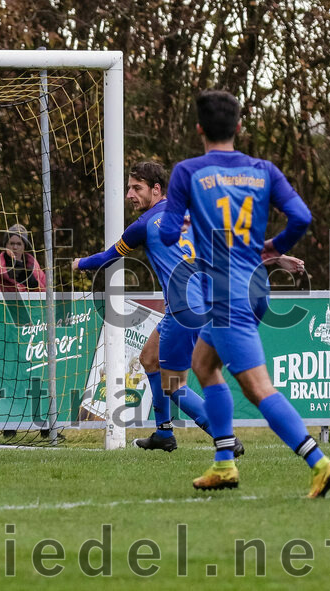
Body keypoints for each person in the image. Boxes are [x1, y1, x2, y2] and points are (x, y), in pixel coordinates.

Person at [159, 90, 330, 497]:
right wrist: (275, 245)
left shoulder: (188, 172)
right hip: (254, 284)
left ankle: (319, 461)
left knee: (258, 388)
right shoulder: (264, 170)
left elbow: (169, 233)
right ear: (239, 128)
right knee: (204, 365)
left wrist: (186, 219)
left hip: (224, 295)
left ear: (199, 129)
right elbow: (302, 217)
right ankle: (224, 463)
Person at [73, 161, 235, 453]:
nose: (129, 195)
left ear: (156, 189)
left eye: (136, 188)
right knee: (149, 358)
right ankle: (163, 433)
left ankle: (223, 434)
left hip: (184, 307)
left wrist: (78, 263)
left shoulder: (144, 225)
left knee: (171, 382)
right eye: (128, 188)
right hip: (205, 302)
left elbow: (108, 258)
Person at [0, 224, 47, 292]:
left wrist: (35, 286)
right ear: (6, 245)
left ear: (24, 247)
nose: (15, 247)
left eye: (19, 244)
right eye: (12, 243)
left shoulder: (38, 273)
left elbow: (47, 300)